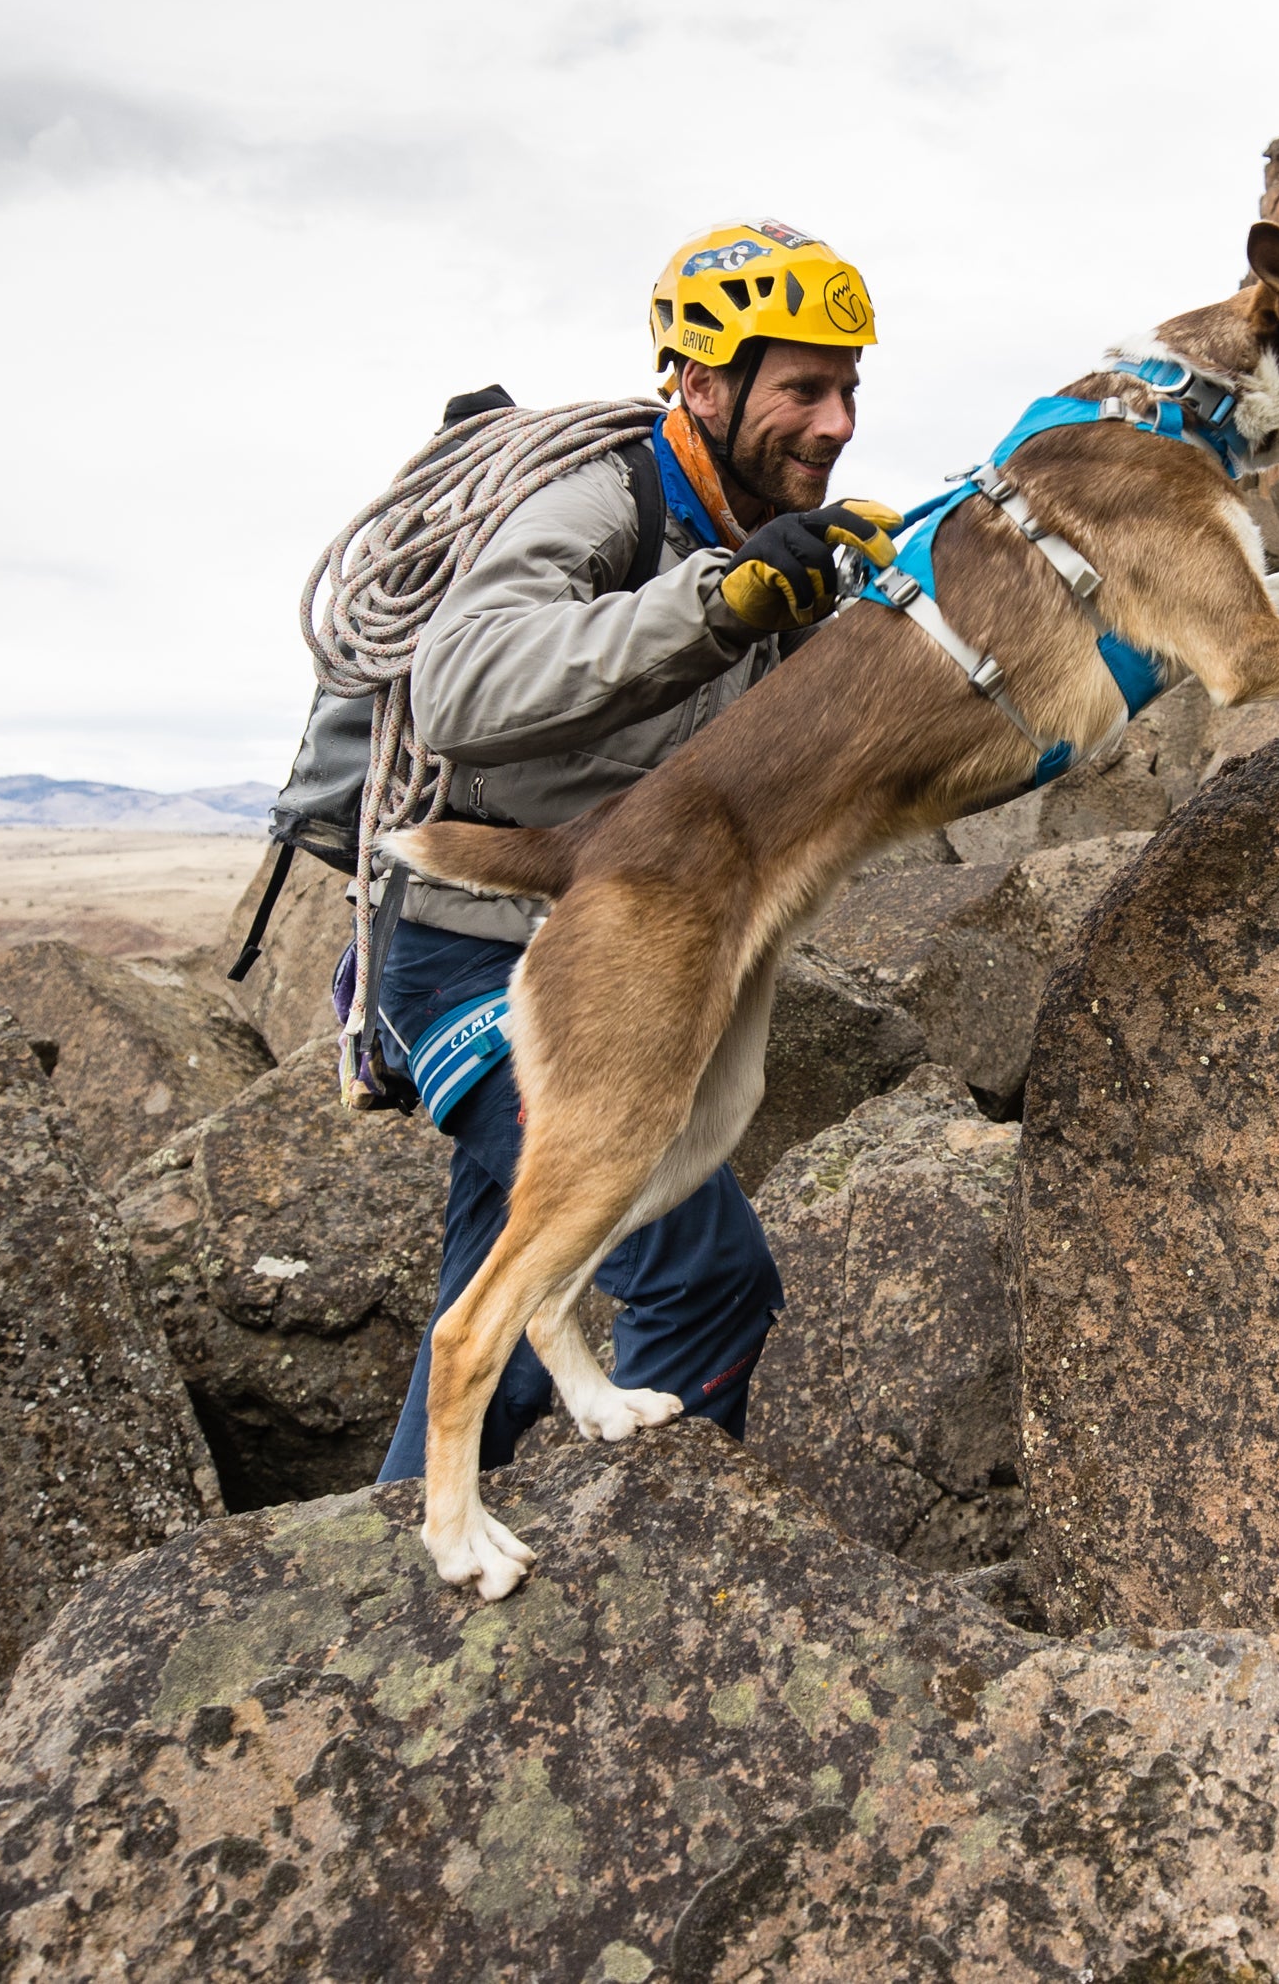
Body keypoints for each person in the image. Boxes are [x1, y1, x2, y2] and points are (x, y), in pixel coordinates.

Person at [369, 220, 898, 1485]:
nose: (834, 424)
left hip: (604, 960)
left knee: (493, 1307)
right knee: (706, 1277)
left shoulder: (786, 542)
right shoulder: (603, 499)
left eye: (849, 393)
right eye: (803, 389)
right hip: (471, 953)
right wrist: (712, 603)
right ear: (704, 387)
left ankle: (378, 1583)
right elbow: (460, 682)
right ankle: (641, 1582)